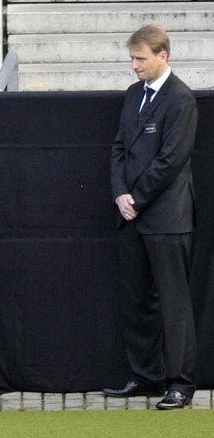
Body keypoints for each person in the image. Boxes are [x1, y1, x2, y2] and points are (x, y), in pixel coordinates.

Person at [103, 25, 197, 410]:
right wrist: (119, 194)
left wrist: (136, 198)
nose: (134, 65)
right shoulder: (132, 95)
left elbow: (170, 161)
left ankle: (180, 384)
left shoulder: (180, 101)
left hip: (167, 219)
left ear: (163, 56)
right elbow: (119, 148)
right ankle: (145, 376)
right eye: (132, 58)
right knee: (137, 300)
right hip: (132, 217)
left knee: (173, 303)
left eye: (141, 58)